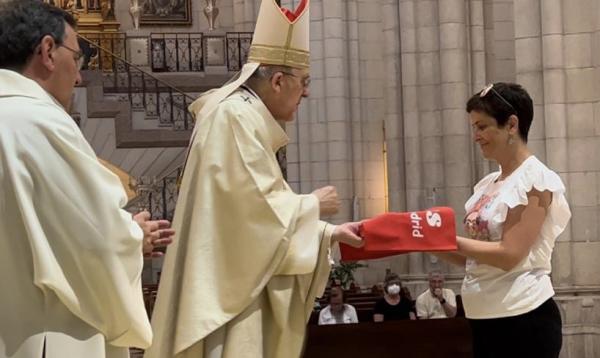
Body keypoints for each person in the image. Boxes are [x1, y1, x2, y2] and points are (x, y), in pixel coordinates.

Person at [144, 1, 363, 357]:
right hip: (233, 296)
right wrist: (313, 205)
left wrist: (329, 232)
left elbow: (253, 211)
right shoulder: (235, 118)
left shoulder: (240, 117)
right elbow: (251, 215)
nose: (306, 93)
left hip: (238, 283)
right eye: (303, 82)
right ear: (278, 81)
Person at [0, 1, 174, 357]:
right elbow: (95, 239)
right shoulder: (42, 122)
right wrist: (133, 236)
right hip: (50, 335)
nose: (79, 76)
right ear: (48, 51)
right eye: (78, 58)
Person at [435, 82, 571, 357]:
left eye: (482, 126)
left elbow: (510, 254)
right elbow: (474, 257)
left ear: (511, 125)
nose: (476, 136)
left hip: (523, 317)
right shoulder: (488, 184)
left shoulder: (535, 180)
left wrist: (446, 238)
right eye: (474, 127)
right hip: (485, 316)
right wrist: (425, 241)